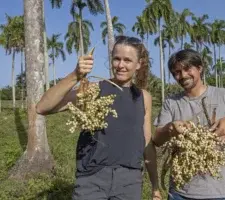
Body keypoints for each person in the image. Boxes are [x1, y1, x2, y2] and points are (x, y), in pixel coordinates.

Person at [36, 35, 162, 200]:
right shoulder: (94, 89)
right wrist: (75, 75)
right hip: (92, 178)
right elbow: (43, 107)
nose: (121, 65)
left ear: (138, 64)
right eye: (116, 59)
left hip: (129, 180)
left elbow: (146, 141)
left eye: (127, 60)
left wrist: (155, 186)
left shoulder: (143, 97)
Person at [152, 49, 225, 200]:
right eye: (177, 72)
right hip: (180, 192)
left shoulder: (223, 95)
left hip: (217, 192)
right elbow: (157, 139)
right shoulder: (171, 102)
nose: (182, 75)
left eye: (187, 69)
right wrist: (171, 127)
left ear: (200, 68)